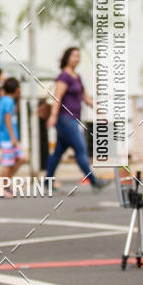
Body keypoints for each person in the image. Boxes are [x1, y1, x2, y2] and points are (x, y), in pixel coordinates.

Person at [46, 47, 105, 190]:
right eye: (73, 56)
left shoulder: (77, 77)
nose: (76, 59)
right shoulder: (63, 77)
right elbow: (57, 97)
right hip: (65, 119)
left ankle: (47, 181)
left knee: (58, 152)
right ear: (67, 58)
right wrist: (53, 116)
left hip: (74, 118)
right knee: (80, 149)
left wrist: (99, 110)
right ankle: (93, 180)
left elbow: (85, 97)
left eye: (78, 56)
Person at [0, 77, 24, 197]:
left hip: (8, 137)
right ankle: (2, 188)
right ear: (17, 89)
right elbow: (7, 118)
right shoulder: (8, 101)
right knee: (8, 164)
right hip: (8, 138)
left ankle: (6, 184)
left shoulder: (6, 100)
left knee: (20, 158)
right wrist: (13, 137)